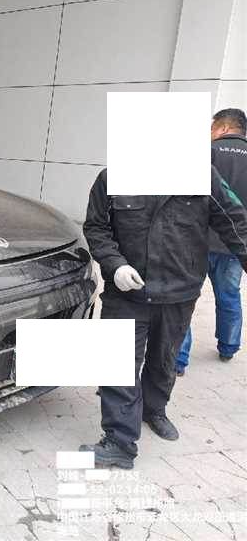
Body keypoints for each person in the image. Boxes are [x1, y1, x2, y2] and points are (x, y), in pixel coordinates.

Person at [80, 166, 247, 469]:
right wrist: (115, 265)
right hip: (126, 291)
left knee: (164, 359)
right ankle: (119, 440)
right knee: (116, 364)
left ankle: (153, 409)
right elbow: (96, 227)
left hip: (178, 291)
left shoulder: (201, 174)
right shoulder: (112, 176)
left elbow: (234, 221)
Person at [176, 109, 247, 376]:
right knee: (229, 295)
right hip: (235, 244)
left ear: (224, 127)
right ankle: (228, 347)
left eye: (212, 127)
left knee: (183, 298)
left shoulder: (204, 153)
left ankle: (178, 359)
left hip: (197, 241)